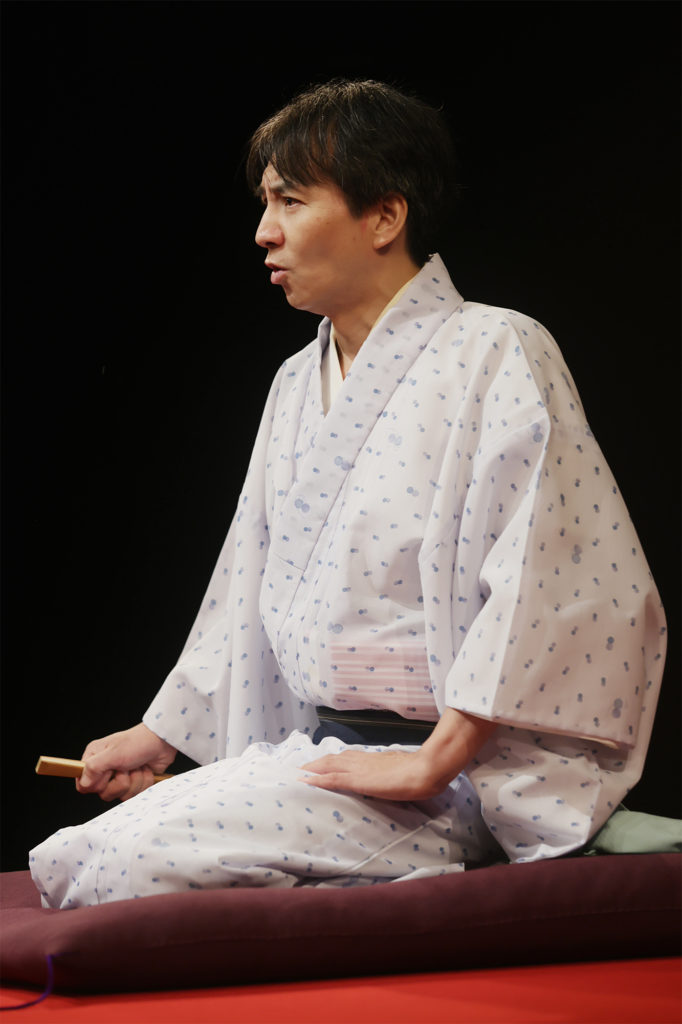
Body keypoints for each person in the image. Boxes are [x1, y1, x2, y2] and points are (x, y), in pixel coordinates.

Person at [30, 80, 666, 908]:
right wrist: (162, 735)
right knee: (69, 857)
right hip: (322, 758)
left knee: (124, 869)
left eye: (291, 201)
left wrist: (435, 759)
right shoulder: (297, 383)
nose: (265, 231)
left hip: (448, 778)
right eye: (266, 204)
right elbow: (247, 586)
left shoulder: (496, 348)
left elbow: (554, 585)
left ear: (384, 216)